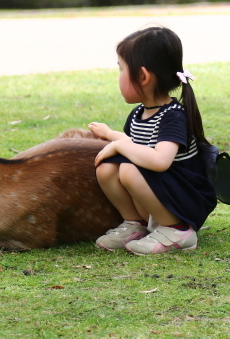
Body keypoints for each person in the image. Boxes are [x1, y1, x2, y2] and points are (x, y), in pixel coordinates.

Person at [89, 26, 217, 255]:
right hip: (162, 191)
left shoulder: (173, 116)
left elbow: (160, 161)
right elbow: (136, 145)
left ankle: (177, 230)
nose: (118, 78)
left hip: (184, 200)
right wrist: (111, 135)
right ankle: (136, 224)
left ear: (143, 76)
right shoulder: (139, 113)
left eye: (121, 70)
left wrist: (120, 144)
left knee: (128, 169)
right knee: (107, 168)